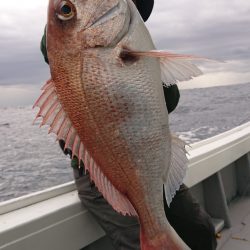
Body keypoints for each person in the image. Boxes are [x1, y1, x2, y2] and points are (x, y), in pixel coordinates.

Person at [40, 1, 217, 249]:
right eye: (68, 10)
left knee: (201, 229)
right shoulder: (68, 44)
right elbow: (55, 35)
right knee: (135, 243)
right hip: (97, 173)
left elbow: (171, 101)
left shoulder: (130, 33)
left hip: (148, 164)